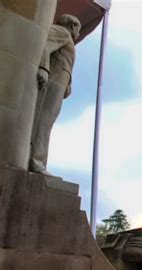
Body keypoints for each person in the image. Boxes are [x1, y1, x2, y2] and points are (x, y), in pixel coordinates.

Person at [30, 14, 81, 176]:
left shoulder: (68, 38)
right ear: (72, 25)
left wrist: (68, 84)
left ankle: (39, 160)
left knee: (47, 122)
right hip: (52, 83)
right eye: (78, 29)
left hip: (58, 85)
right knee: (43, 121)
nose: (78, 33)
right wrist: (44, 68)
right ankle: (36, 160)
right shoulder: (63, 32)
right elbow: (45, 45)